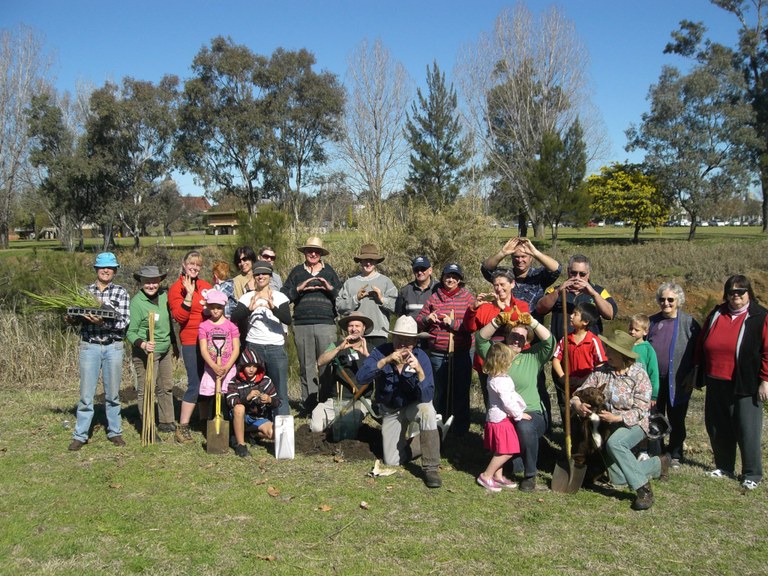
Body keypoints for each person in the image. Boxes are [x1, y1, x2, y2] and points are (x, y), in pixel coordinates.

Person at [571, 330, 670, 511]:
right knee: (618, 478)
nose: (607, 354)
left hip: (634, 423)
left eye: (611, 351)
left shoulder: (639, 375)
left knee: (615, 443)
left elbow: (641, 409)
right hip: (609, 425)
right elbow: (581, 391)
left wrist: (618, 417)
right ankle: (658, 464)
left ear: (623, 356)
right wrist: (577, 403)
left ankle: (643, 490)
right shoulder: (601, 372)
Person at [696, 275, 767, 491]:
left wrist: (765, 380)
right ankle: (724, 466)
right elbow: (702, 342)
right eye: (731, 291)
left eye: (740, 291)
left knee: (747, 429)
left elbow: (767, 351)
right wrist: (697, 371)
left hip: (745, 383)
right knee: (717, 426)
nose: (735, 296)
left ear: (749, 293)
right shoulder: (717, 313)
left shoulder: (759, 316)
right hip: (716, 379)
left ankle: (752, 473)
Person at [355, 315, 442, 488]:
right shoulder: (380, 351)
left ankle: (431, 468)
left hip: (412, 405)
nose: (403, 346)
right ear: (392, 337)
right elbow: (360, 378)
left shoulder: (421, 357)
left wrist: (419, 371)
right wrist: (385, 361)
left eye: (408, 342)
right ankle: (433, 435)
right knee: (392, 461)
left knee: (427, 410)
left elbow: (427, 397)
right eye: (399, 340)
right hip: (391, 410)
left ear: (415, 342)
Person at [474, 309, 555, 492]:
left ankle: (530, 475)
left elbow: (550, 342)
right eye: (513, 335)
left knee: (524, 427)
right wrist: (497, 321)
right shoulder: (497, 355)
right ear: (506, 335)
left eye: (522, 337)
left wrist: (533, 323)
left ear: (528, 341)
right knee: (511, 448)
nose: (517, 339)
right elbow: (480, 339)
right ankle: (499, 472)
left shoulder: (533, 356)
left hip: (531, 412)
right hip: (504, 415)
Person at [68, 252, 131, 451]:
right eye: (102, 267)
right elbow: (75, 317)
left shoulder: (121, 293)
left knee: (112, 394)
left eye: (110, 268)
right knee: (86, 395)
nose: (106, 270)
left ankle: (115, 432)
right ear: (96, 269)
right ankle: (81, 434)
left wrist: (104, 322)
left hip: (113, 346)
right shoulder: (84, 292)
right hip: (90, 346)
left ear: (115, 271)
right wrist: (72, 319)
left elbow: (124, 323)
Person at [282, 236, 342, 414]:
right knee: (306, 365)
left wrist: (329, 288)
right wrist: (298, 289)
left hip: (327, 325)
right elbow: (283, 296)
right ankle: (309, 405)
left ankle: (324, 404)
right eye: (310, 251)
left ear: (321, 254)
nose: (313, 253)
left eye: (316, 251)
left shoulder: (329, 271)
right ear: (305, 253)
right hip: (302, 325)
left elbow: (341, 297)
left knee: (327, 365)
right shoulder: (296, 272)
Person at [416, 263, 474, 435]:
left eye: (455, 277)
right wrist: (427, 319)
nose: (451, 279)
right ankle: (437, 427)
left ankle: (460, 429)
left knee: (461, 391)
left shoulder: (468, 298)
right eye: (448, 276)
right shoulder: (434, 298)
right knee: (439, 391)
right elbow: (418, 322)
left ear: (460, 279)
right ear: (442, 278)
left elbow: (473, 325)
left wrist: (454, 324)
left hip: (461, 353)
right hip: (437, 353)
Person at [230, 260, 292, 416]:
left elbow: (287, 319)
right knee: (254, 388)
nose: (261, 276)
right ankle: (259, 425)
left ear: (270, 277)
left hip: (275, 348)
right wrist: (249, 309)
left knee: (279, 390)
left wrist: (273, 308)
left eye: (264, 273)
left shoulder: (279, 297)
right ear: (253, 276)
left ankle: (281, 431)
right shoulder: (247, 297)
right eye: (258, 274)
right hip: (254, 347)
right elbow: (235, 317)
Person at [647, 282, 699, 467]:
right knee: (655, 416)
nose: (666, 303)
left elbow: (698, 352)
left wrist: (693, 375)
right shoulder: (651, 322)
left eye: (671, 300)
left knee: (677, 418)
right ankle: (657, 453)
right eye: (662, 299)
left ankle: (675, 453)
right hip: (654, 380)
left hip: (678, 381)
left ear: (679, 301)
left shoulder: (689, 323)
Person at [463, 269, 531, 409]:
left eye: (502, 284)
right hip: (489, 359)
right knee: (492, 401)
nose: (499, 288)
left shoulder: (521, 306)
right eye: (495, 285)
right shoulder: (486, 307)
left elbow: (520, 324)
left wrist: (504, 309)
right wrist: (473, 309)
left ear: (512, 284)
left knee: (515, 399)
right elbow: (470, 327)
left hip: (515, 360)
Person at [168, 250, 213, 444]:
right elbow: (179, 317)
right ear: (184, 265)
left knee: (207, 381)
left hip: (209, 339)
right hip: (190, 340)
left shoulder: (205, 286)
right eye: (191, 264)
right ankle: (183, 426)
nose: (194, 268)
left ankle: (203, 421)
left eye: (198, 265)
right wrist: (188, 295)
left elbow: (216, 308)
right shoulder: (176, 288)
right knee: (194, 382)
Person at [126, 265, 177, 434]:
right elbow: (131, 332)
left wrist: (174, 344)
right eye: (147, 282)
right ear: (141, 282)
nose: (151, 285)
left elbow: (170, 321)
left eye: (154, 282)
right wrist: (143, 344)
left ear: (159, 281)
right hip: (146, 352)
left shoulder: (164, 296)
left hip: (165, 348)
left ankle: (166, 420)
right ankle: (147, 426)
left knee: (166, 385)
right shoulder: (137, 303)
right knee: (147, 388)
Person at [476, 342, 531, 492]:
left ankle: (497, 476)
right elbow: (507, 402)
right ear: (503, 362)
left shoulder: (494, 377)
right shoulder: (501, 381)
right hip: (501, 420)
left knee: (499, 449)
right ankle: (486, 475)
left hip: (496, 418)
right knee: (507, 450)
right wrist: (519, 414)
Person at [311, 312, 373, 433]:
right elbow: (320, 362)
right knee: (316, 427)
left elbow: (379, 370)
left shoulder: (371, 349)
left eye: (357, 326)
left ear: (364, 328)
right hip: (336, 400)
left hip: (360, 399)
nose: (354, 329)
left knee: (346, 429)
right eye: (351, 326)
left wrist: (366, 355)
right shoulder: (336, 345)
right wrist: (339, 349)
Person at [336, 243, 397, 349]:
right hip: (356, 334)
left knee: (378, 364)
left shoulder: (386, 281)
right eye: (365, 260)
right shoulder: (350, 283)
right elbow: (339, 306)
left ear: (376, 262)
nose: (368, 263)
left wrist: (382, 299)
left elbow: (396, 306)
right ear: (360, 261)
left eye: (372, 260)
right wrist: (356, 298)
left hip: (379, 333)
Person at [551, 302, 606, 416]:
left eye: (575, 314)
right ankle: (568, 433)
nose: (571, 316)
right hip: (569, 383)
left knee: (586, 413)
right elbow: (556, 359)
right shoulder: (565, 339)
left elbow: (600, 364)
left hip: (587, 387)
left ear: (585, 322)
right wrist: (563, 377)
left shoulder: (593, 341)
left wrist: (592, 381)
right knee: (567, 411)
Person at [480, 237, 561, 314]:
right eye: (516, 257)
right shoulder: (505, 275)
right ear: (511, 258)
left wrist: (535, 253)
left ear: (531, 258)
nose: (520, 260)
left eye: (523, 256)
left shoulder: (539, 275)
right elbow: (486, 269)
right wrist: (502, 253)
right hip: (505, 322)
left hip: (531, 324)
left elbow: (556, 269)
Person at [226, 349, 281, 457]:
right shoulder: (235, 382)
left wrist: (270, 400)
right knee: (239, 408)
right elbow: (230, 401)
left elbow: (277, 402)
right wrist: (247, 398)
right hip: (242, 417)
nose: (251, 369)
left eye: (254, 366)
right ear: (242, 367)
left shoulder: (266, 381)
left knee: (274, 433)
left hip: (258, 419)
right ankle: (241, 445)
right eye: (248, 366)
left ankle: (252, 434)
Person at [197, 289, 240, 415]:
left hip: (228, 367)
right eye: (212, 307)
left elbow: (236, 348)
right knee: (211, 397)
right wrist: (214, 366)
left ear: (224, 306)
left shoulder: (231, 326)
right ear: (208, 307)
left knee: (228, 397)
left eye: (219, 307)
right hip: (211, 368)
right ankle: (210, 421)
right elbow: (203, 349)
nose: (215, 311)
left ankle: (228, 423)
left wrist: (226, 367)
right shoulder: (204, 326)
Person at [394, 256, 438, 320]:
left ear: (430, 270)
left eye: (423, 269)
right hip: (409, 329)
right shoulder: (405, 291)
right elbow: (399, 315)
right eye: (416, 269)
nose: (419, 272)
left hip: (432, 329)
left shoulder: (439, 288)